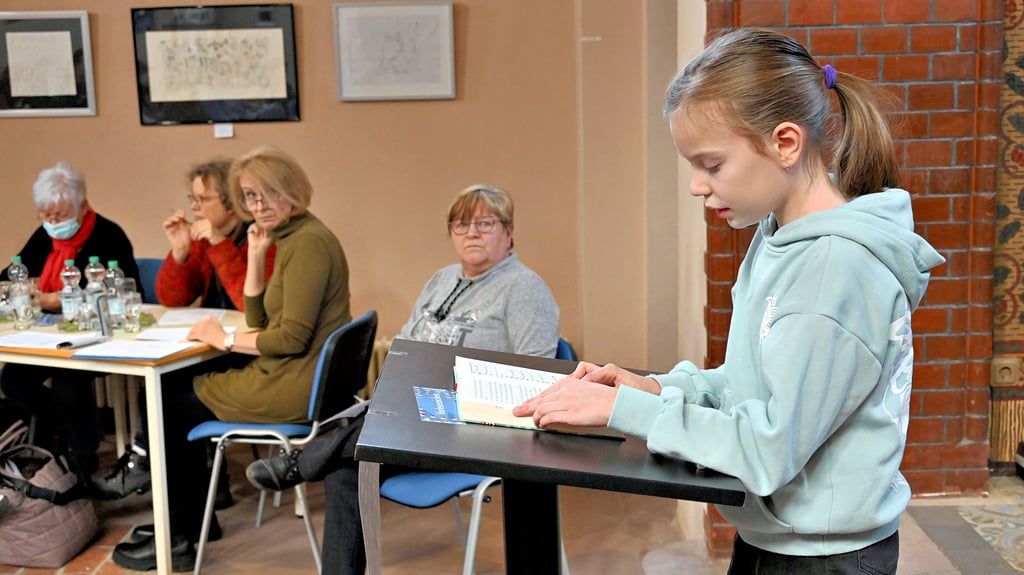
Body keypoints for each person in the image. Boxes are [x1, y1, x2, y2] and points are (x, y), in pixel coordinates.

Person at [513, 28, 946, 575]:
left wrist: (624, 412)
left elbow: (769, 450)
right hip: (778, 536)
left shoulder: (833, 272)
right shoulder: (778, 235)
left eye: (712, 165)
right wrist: (654, 388)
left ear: (785, 143)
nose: (697, 186)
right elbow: (752, 385)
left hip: (824, 557)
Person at [244, 184, 560, 575]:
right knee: (345, 474)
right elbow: (405, 349)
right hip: (419, 415)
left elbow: (536, 377)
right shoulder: (441, 279)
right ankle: (317, 464)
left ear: (508, 232)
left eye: (485, 223)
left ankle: (303, 461)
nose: (472, 233)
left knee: (373, 435)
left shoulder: (524, 289)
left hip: (479, 429)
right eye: (461, 225)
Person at [111, 146, 352, 572]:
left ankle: (180, 534)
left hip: (293, 382)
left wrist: (222, 340)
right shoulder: (288, 236)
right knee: (171, 393)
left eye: (267, 194)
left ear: (292, 191)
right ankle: (191, 522)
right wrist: (255, 258)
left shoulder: (308, 243)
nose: (259, 207)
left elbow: (290, 338)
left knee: (167, 402)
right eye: (250, 197)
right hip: (292, 373)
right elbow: (259, 317)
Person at [92, 160, 277, 503]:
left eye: (203, 199)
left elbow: (250, 305)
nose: (194, 207)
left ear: (231, 202)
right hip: (214, 345)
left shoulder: (259, 238)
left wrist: (219, 244)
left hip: (249, 350)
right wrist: (179, 253)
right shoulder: (204, 240)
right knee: (163, 384)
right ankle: (202, 480)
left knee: (168, 392)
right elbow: (172, 298)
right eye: (191, 198)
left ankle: (169, 475)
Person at [0, 161, 141, 480]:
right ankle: (58, 429)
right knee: (13, 380)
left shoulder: (108, 236)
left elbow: (129, 292)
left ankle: (82, 454)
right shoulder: (45, 236)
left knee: (68, 383)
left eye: (60, 215)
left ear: (83, 206)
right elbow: (12, 275)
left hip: (98, 337)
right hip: (50, 338)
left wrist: (60, 300)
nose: (52, 222)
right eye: (46, 215)